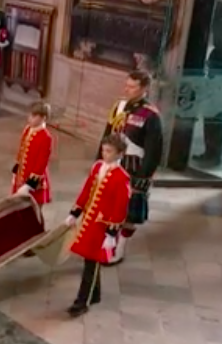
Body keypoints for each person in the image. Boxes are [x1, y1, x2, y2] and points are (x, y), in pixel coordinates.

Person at [99, 70, 163, 265]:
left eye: (132, 87)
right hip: (114, 164)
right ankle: (108, 242)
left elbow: (154, 150)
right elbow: (107, 136)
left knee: (129, 212)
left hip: (134, 167)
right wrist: (99, 161)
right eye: (126, 85)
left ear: (144, 89)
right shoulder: (118, 107)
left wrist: (144, 176)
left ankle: (120, 248)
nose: (126, 90)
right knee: (109, 206)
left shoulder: (150, 115)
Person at [65, 134, 130, 318]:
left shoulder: (122, 178)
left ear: (119, 154)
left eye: (109, 151)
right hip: (90, 222)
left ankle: (82, 302)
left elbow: (120, 207)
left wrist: (111, 234)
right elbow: (87, 190)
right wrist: (75, 213)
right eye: (103, 150)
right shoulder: (97, 167)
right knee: (90, 260)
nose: (105, 154)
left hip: (102, 227)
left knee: (91, 263)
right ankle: (95, 294)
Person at [11, 101, 53, 209]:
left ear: (43, 118)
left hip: (34, 181)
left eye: (34, 116)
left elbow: (41, 163)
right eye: (30, 115)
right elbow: (21, 151)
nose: (29, 118)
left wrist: (29, 185)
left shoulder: (46, 137)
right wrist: (16, 171)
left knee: (34, 211)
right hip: (21, 176)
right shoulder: (27, 129)